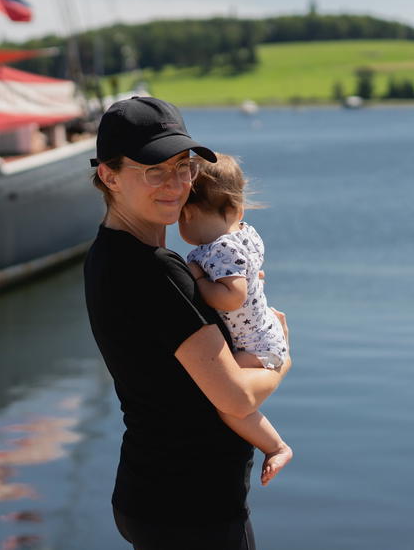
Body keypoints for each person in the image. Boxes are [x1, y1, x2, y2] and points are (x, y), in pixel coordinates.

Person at [84, 96, 292, 550]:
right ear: (110, 176)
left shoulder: (105, 254)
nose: (176, 184)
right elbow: (236, 397)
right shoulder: (158, 272)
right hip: (192, 510)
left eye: (184, 166)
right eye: (153, 170)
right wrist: (283, 359)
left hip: (154, 494)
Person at [178, 153, 292, 487]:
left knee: (228, 402)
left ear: (188, 213)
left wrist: (198, 282)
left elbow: (233, 296)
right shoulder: (243, 235)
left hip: (258, 345)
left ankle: (277, 446)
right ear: (237, 210)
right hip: (263, 334)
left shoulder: (219, 248)